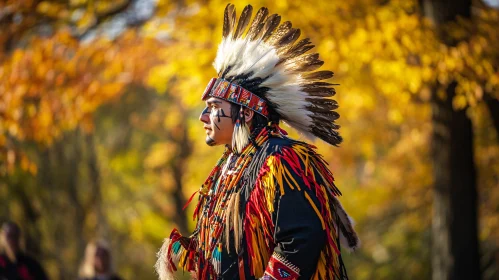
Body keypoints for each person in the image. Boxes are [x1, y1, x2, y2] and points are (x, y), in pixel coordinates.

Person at [155, 4, 359, 280]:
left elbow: (302, 237)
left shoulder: (281, 161)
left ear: (246, 113)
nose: (204, 116)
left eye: (214, 106)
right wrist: (192, 252)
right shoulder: (230, 166)